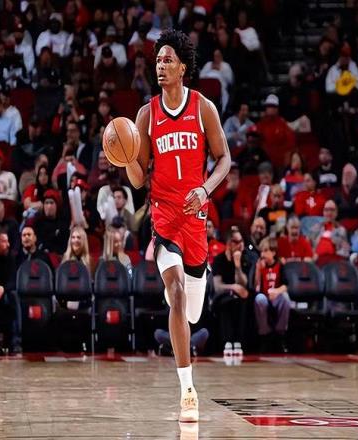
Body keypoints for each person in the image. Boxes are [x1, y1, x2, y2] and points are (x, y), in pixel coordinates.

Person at [124, 29, 230, 422]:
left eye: (168, 60)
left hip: (195, 218)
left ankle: (186, 316)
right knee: (177, 291)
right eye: (157, 60)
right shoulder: (146, 114)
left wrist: (205, 189)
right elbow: (139, 179)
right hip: (164, 216)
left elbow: (224, 159)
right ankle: (188, 391)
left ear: (183, 67)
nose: (161, 66)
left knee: (193, 310)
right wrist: (125, 157)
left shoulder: (203, 107)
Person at [212, 226, 250, 357]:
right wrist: (233, 287)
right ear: (229, 243)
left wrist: (238, 267)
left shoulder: (244, 258)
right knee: (227, 302)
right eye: (237, 242)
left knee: (241, 302)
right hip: (221, 296)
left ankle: (238, 341)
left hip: (239, 296)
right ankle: (227, 341)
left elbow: (244, 284)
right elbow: (218, 286)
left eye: (242, 241)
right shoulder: (219, 259)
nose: (240, 245)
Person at [254, 237, 291, 353]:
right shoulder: (259, 265)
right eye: (261, 251)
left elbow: (286, 285)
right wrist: (258, 271)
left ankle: (281, 334)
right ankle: (264, 335)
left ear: (273, 252)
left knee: (285, 298)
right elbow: (256, 288)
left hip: (276, 296)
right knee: (259, 299)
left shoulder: (280, 265)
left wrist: (277, 291)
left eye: (266, 251)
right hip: (264, 297)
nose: (262, 254)